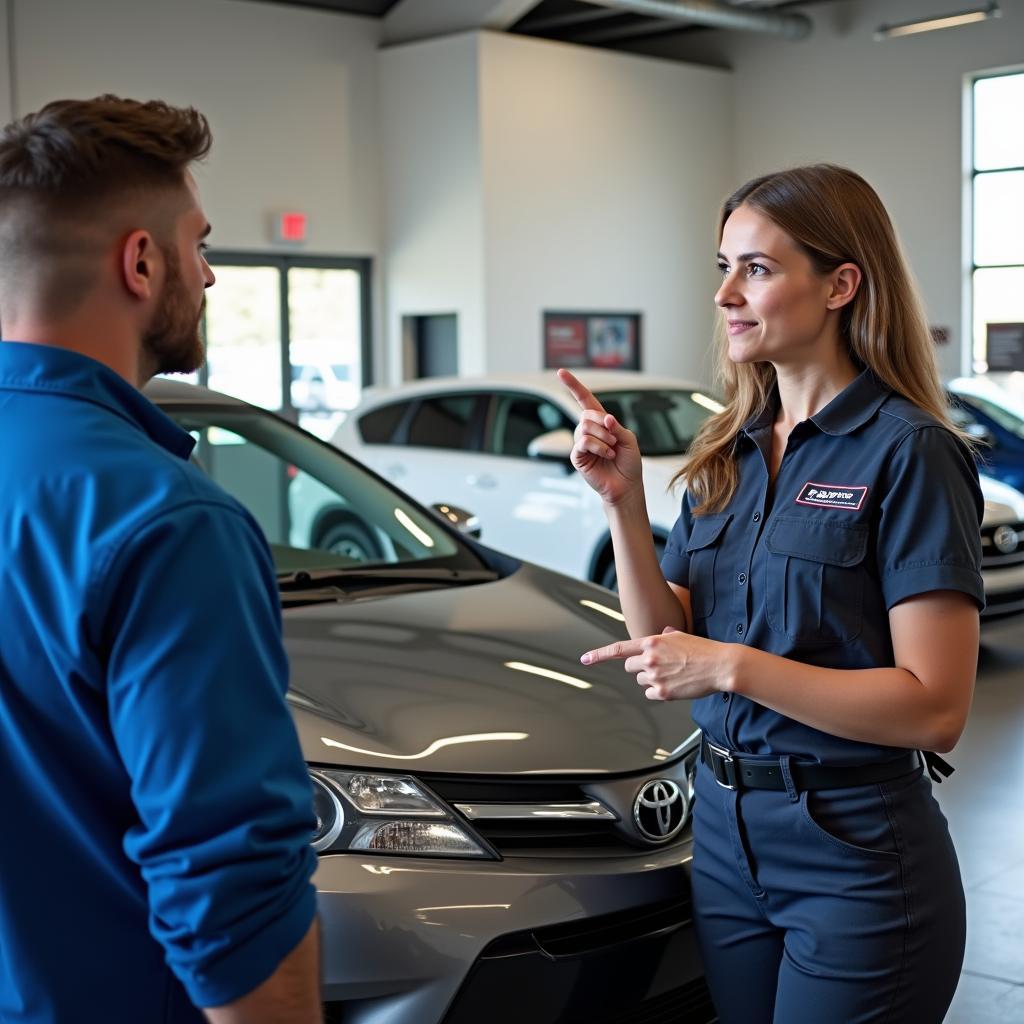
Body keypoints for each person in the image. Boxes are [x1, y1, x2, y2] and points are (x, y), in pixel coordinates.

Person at [560, 163, 982, 1024]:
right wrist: (623, 503)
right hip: (720, 832)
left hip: (853, 846)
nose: (725, 294)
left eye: (755, 268)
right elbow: (663, 641)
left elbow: (934, 708)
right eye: (723, 266)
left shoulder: (909, 453)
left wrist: (730, 668)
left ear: (840, 284)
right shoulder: (728, 453)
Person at [0, 97, 322, 1023]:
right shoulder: (167, 519)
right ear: (141, 262)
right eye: (202, 245)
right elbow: (228, 880)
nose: (211, 277)